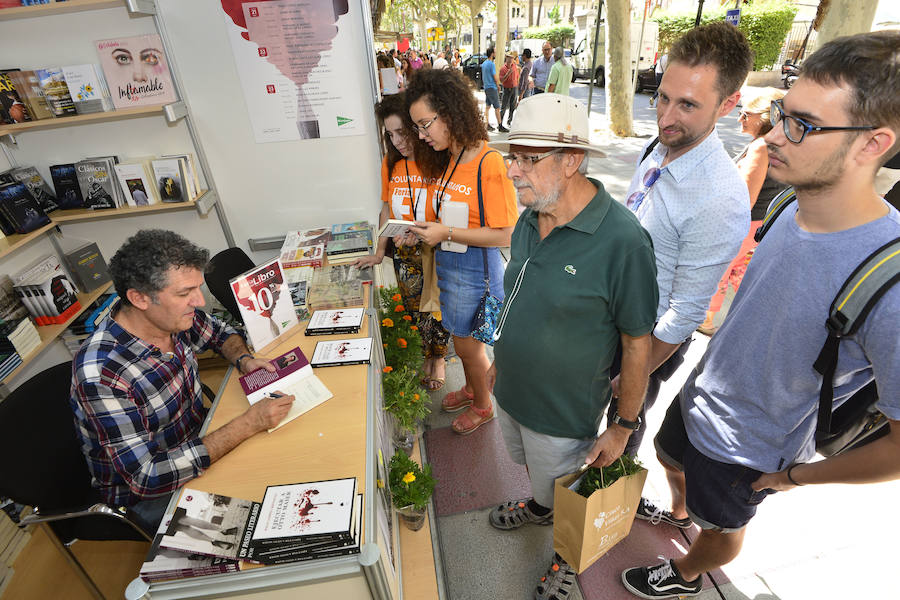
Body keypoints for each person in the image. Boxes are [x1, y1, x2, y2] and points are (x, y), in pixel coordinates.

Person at [622, 30, 900, 599]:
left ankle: (686, 573)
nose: (772, 135)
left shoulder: (890, 281)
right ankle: (680, 513)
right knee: (670, 461)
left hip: (751, 450)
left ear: (873, 144)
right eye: (782, 113)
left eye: (803, 125)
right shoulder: (787, 202)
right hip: (700, 394)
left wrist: (793, 478)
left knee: (723, 527)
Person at [486, 94, 659, 600]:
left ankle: (565, 557)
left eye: (527, 159)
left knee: (570, 494)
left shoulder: (623, 241)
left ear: (572, 159)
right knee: (537, 477)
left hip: (565, 415)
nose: (513, 172)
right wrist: (501, 356)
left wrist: (623, 427)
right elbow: (519, 294)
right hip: (512, 391)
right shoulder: (528, 217)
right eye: (511, 156)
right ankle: (539, 507)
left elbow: (636, 343)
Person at [70, 230, 294, 534]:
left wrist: (244, 359)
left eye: (198, 288)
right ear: (139, 298)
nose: (199, 301)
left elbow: (220, 333)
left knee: (289, 469)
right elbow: (147, 477)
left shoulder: (170, 318)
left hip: (198, 441)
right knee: (268, 527)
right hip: (151, 493)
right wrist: (247, 424)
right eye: (184, 293)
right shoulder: (102, 374)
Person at [605, 21, 752, 470]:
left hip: (644, 339)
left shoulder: (721, 197)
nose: (666, 117)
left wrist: (634, 372)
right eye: (663, 97)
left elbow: (685, 311)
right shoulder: (663, 141)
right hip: (606, 314)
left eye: (687, 105)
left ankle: (594, 529)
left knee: (619, 433)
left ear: (728, 104)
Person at [405, 68, 518, 435]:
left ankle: (484, 405)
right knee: (464, 345)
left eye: (425, 125)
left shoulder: (489, 163)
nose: (421, 136)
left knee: (469, 349)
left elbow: (508, 234)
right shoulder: (451, 157)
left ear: (450, 113)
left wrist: (446, 231)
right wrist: (425, 231)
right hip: (450, 266)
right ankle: (473, 387)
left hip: (474, 272)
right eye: (417, 127)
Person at [355, 92, 451, 390]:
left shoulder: (438, 160)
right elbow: (386, 206)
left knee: (438, 308)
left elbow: (452, 209)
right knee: (415, 309)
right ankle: (426, 353)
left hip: (437, 251)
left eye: (402, 131)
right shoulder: (391, 164)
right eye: (390, 134)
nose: (397, 140)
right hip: (403, 254)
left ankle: (439, 358)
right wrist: (379, 250)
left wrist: (426, 231)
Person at [698, 87, 786, 335]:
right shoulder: (782, 144)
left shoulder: (761, 147)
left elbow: (744, 199)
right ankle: (750, 321)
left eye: (746, 114)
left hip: (745, 223)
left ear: (766, 117)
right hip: (761, 225)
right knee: (742, 273)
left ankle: (706, 319)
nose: (740, 118)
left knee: (720, 270)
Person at [481, 47, 504, 132]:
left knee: (487, 107)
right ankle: (500, 125)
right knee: (497, 107)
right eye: (495, 52)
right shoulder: (491, 64)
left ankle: (486, 124)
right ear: (492, 54)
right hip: (492, 87)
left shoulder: (484, 64)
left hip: (486, 87)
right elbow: (495, 76)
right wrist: (498, 85)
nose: (495, 54)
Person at [498, 51, 520, 129]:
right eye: (509, 58)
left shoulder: (515, 66)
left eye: (512, 58)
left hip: (514, 88)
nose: (510, 60)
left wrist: (517, 84)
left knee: (512, 106)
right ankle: (500, 124)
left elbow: (517, 76)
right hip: (507, 89)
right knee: (503, 107)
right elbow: (501, 80)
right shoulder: (503, 69)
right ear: (506, 58)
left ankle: (509, 121)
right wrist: (507, 74)